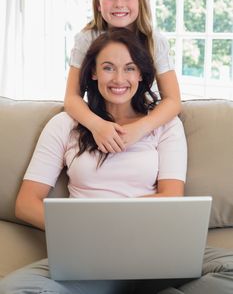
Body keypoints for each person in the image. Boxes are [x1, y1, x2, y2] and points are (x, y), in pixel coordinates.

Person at [1, 29, 233, 294]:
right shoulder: (64, 124)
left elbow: (171, 195)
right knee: (15, 289)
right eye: (108, 68)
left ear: (142, 75)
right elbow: (25, 203)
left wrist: (114, 223)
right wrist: (87, 230)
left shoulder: (166, 126)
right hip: (89, 255)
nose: (119, 79)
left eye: (130, 68)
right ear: (93, 73)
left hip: (155, 249)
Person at [64, 0, 181, 155]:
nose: (119, 3)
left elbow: (173, 100)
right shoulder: (86, 39)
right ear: (98, 4)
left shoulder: (154, 41)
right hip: (101, 123)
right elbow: (71, 98)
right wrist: (97, 126)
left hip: (141, 126)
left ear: (141, 1)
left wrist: (140, 128)